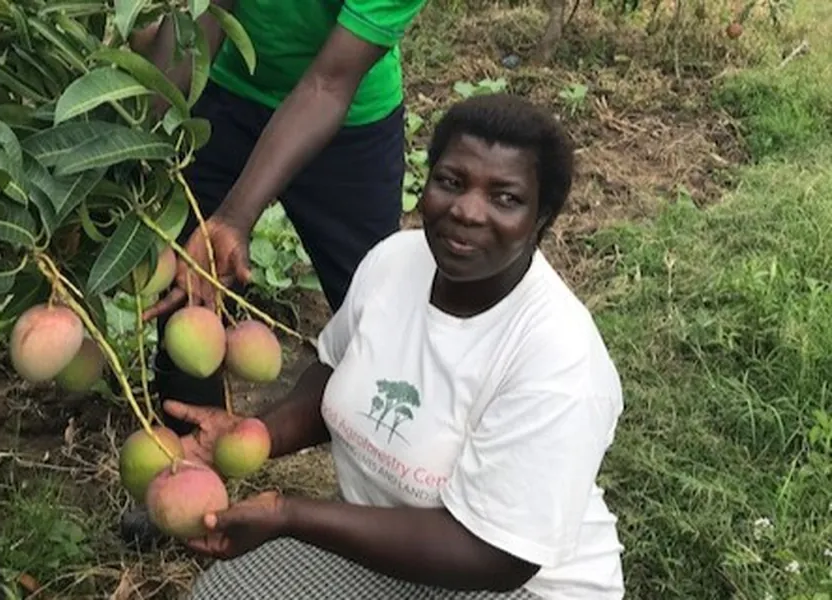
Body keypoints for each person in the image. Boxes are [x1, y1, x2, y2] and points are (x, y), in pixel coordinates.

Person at [162, 93, 627, 599]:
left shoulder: (559, 358)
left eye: (505, 197)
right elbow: (336, 371)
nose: (467, 211)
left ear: (541, 220)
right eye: (451, 182)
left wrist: (289, 515)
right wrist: (255, 432)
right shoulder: (395, 261)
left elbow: (496, 559)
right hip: (394, 547)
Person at [120, 0, 430, 545]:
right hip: (226, 91)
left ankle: (403, 488)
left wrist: (237, 215)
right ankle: (188, 474)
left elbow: (329, 83)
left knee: (379, 307)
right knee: (189, 287)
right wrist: (132, 147)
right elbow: (208, 14)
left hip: (348, 114)